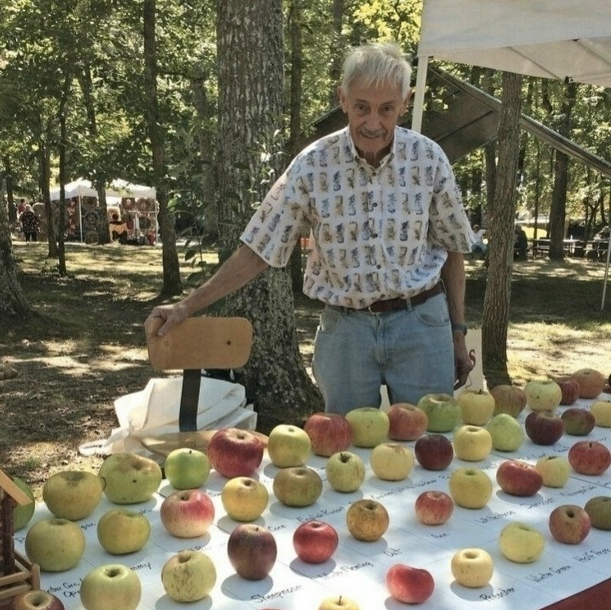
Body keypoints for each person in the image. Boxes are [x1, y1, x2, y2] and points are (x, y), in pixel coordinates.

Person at [145, 42, 474, 414]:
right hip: (347, 331)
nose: (373, 123)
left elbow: (453, 250)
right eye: (362, 107)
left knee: (428, 444)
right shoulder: (313, 165)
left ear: (406, 102)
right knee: (346, 451)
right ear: (343, 99)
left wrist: (458, 334)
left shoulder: (428, 159)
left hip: (422, 323)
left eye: (386, 109)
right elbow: (258, 249)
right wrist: (188, 306)